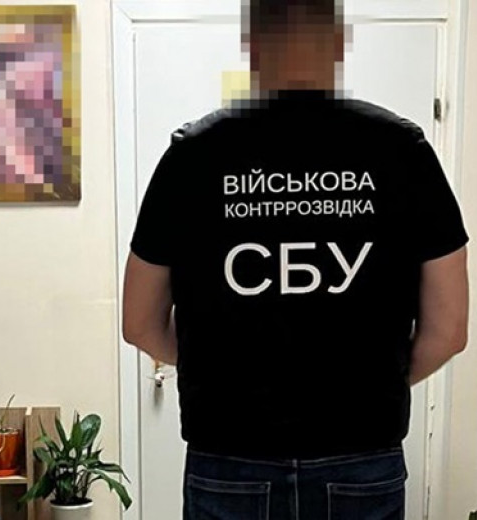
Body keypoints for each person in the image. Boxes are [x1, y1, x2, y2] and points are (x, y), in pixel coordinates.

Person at [121, 1, 469, 519]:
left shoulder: (192, 156)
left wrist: (215, 370)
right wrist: (374, 383)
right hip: (362, 455)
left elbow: (138, 323)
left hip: (229, 456)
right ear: (338, 44)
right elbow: (450, 330)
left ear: (253, 46)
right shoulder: (403, 151)